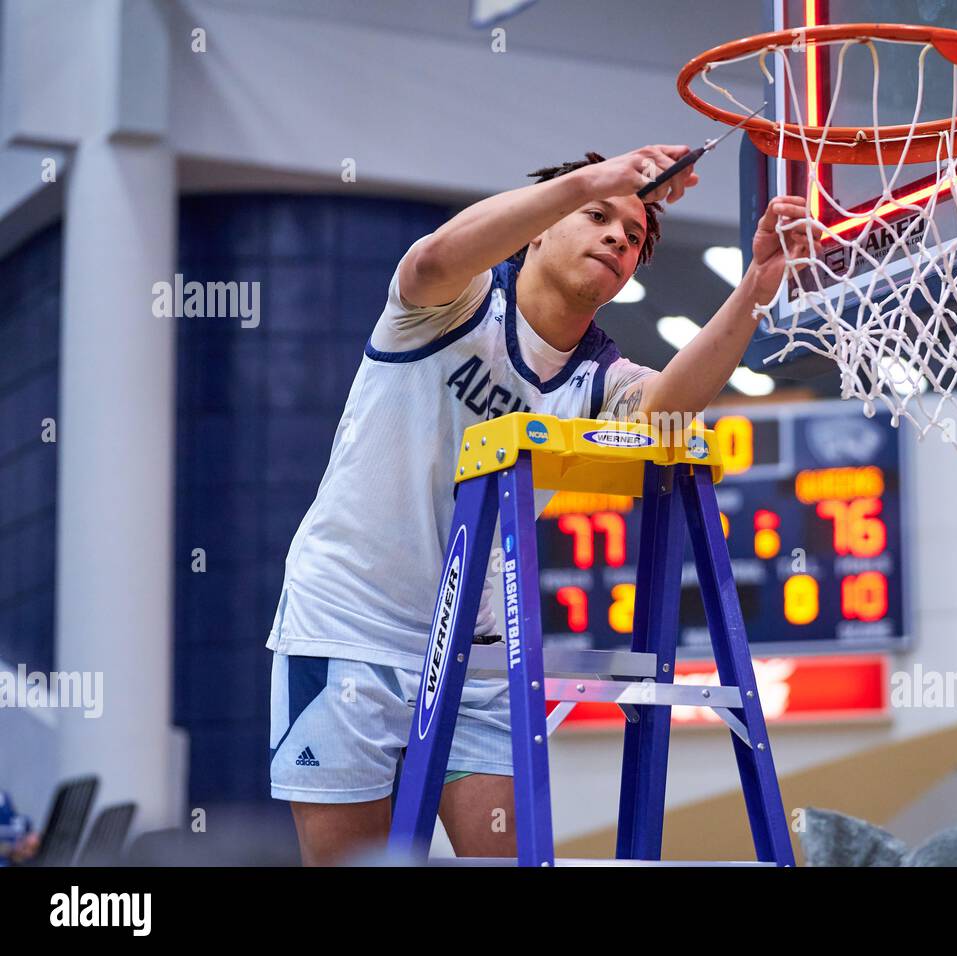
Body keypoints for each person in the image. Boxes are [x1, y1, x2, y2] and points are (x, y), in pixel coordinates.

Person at [265, 143, 809, 865]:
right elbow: (430, 261)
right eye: (598, 216)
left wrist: (756, 288)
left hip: (477, 648)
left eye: (635, 235)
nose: (619, 236)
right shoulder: (453, 301)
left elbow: (666, 409)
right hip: (349, 622)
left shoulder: (598, 377)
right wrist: (590, 179)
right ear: (543, 228)